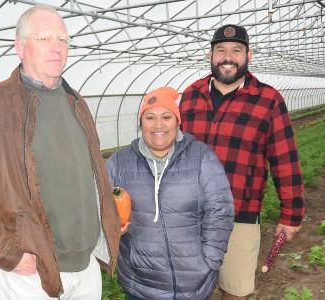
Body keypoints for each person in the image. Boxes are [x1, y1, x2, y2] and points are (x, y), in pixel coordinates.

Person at [0, 4, 120, 299]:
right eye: (44, 39)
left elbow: (91, 177)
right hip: (31, 272)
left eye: (63, 40)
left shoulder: (76, 103)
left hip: (85, 266)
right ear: (19, 46)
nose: (57, 48)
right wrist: (9, 254)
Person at [179, 24, 305, 299]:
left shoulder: (268, 99)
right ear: (210, 55)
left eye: (236, 51)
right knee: (186, 290)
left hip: (240, 216)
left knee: (235, 291)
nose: (228, 57)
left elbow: (285, 159)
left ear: (249, 55)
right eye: (221, 50)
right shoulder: (190, 95)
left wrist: (291, 214)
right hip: (189, 216)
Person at [107, 86, 235, 300]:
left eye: (166, 116)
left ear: (178, 121)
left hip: (193, 286)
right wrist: (112, 230)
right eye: (150, 117)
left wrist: (209, 261)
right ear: (141, 123)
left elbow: (220, 210)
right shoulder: (119, 163)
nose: (158, 125)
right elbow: (100, 208)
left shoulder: (201, 156)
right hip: (140, 285)